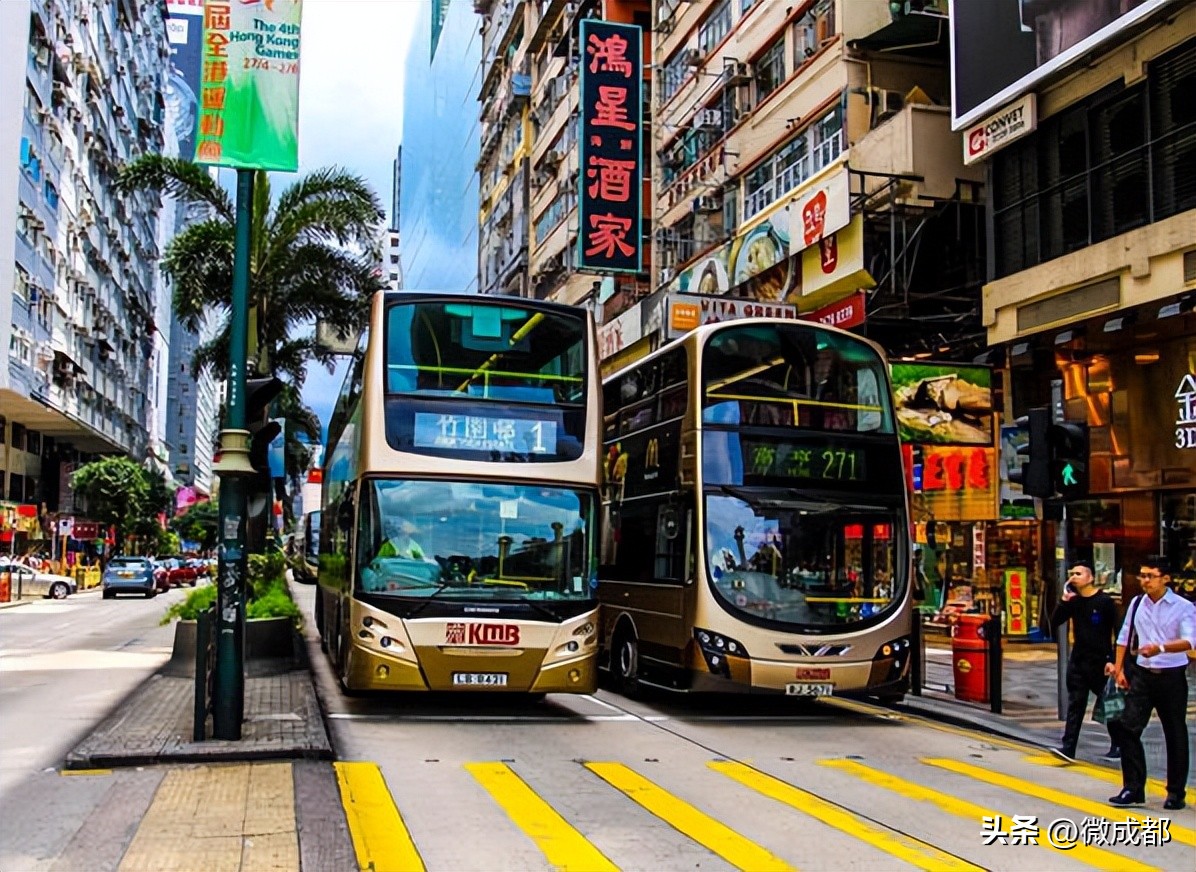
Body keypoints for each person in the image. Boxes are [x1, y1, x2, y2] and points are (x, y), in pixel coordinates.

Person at [1106, 556, 1196, 810]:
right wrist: (1119, 667)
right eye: (1142, 576)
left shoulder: (1183, 606)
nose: (1145, 581)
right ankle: (1133, 788)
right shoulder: (1136, 604)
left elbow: (1190, 641)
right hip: (1142, 675)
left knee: (1175, 733)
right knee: (1127, 728)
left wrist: (1161, 648)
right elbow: (1124, 637)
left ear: (1165, 578)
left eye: (1150, 576)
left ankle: (1176, 792)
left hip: (1171, 676)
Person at [1047, 560, 1120, 763]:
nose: (1073, 576)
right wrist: (1063, 600)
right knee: (1075, 705)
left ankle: (1119, 743)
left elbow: (1118, 631)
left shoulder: (1105, 602)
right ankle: (1068, 747)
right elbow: (1053, 623)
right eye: (1072, 573)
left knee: (1108, 704)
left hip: (1101, 662)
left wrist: (1114, 661)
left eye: (1078, 573)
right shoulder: (1074, 601)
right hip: (1079, 661)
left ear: (1091, 578)